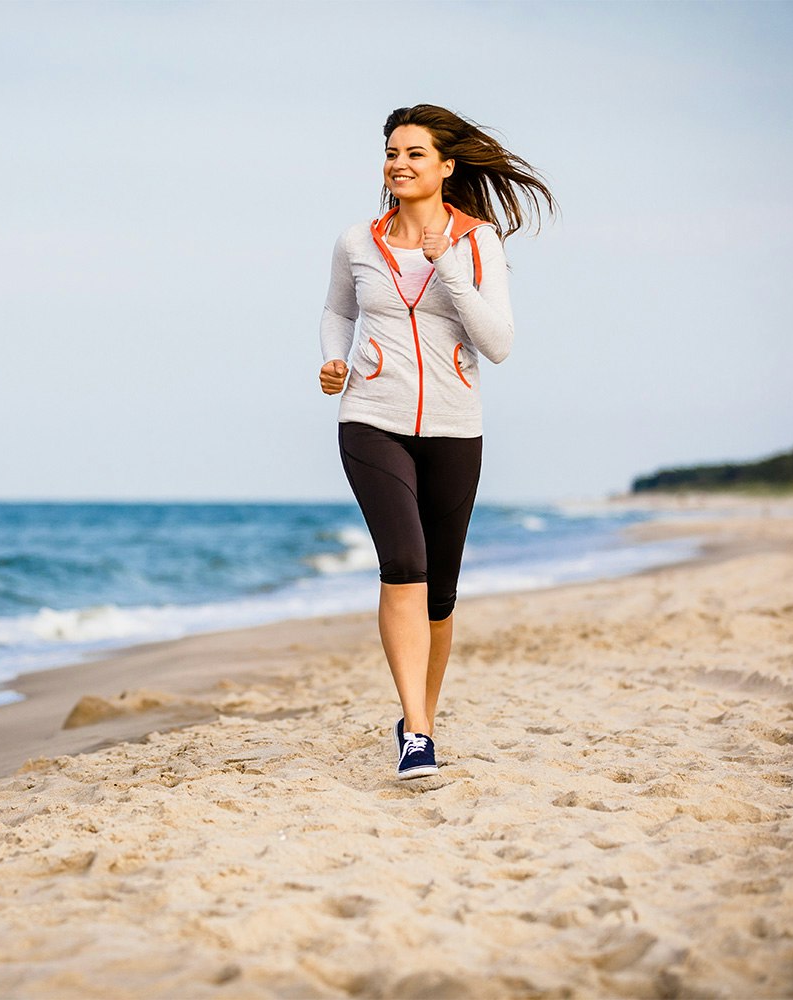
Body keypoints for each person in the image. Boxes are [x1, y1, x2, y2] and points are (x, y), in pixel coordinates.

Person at [318, 104, 555, 779]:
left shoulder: (478, 242)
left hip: (454, 427)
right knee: (404, 563)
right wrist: (335, 358)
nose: (398, 163)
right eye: (391, 152)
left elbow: (499, 345)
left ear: (446, 166)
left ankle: (420, 713)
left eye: (414, 153)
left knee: (440, 593)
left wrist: (447, 267)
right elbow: (337, 309)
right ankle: (416, 735)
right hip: (371, 416)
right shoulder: (355, 241)